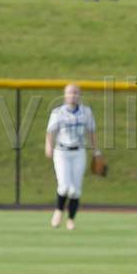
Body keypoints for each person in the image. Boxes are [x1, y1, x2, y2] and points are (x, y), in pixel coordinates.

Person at [45, 84, 100, 230]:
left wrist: (96, 152)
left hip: (79, 152)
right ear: (65, 95)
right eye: (70, 92)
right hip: (61, 152)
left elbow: (92, 132)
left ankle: (70, 219)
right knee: (64, 186)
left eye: (75, 92)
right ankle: (58, 211)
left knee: (75, 190)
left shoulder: (86, 112)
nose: (73, 95)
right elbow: (50, 132)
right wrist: (48, 147)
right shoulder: (58, 112)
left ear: (79, 95)